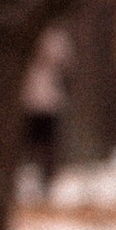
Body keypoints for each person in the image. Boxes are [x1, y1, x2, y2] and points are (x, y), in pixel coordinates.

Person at [18, 20, 72, 198]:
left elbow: (66, 63)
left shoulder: (56, 36)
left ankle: (46, 184)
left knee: (48, 145)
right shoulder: (19, 34)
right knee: (25, 145)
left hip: (49, 102)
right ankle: (23, 182)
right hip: (26, 101)